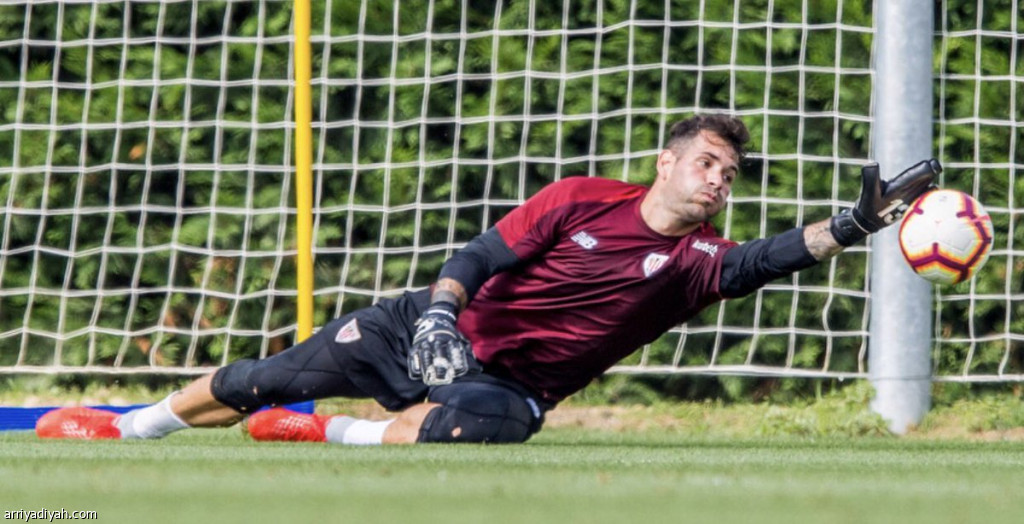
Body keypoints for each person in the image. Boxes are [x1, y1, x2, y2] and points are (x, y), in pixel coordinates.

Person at [36, 114, 940, 444]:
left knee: (486, 428)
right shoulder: (581, 197)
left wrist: (855, 225)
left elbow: (769, 258)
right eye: (706, 163)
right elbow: (477, 258)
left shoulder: (698, 263)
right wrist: (438, 315)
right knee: (256, 379)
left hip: (504, 385)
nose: (718, 181)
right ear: (665, 163)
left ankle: (332, 434)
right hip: (423, 328)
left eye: (729, 174)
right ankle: (127, 428)